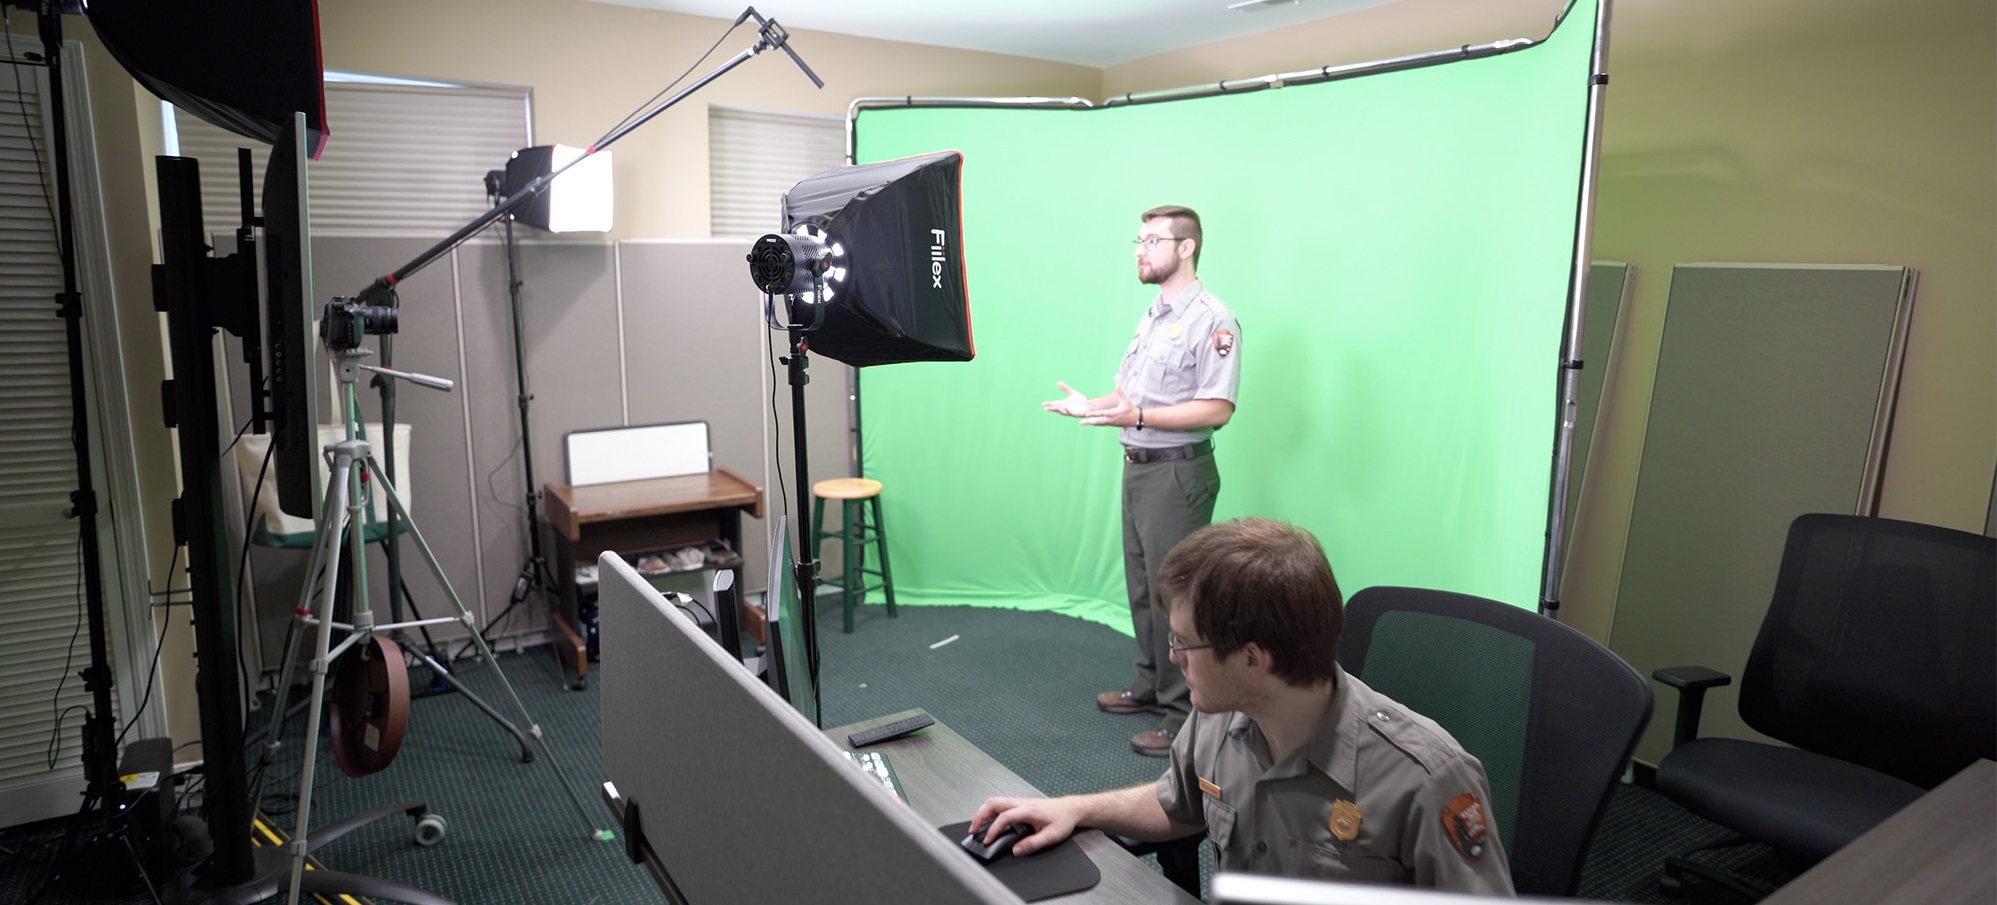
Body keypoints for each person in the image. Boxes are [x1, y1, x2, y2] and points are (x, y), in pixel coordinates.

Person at [968, 518, 1516, 895]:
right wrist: (1074, 808)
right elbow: (1177, 806)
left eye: (1185, 643)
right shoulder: (1218, 717)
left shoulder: (1426, 779)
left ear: (1253, 659)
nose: (1173, 657)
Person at [1043, 205, 1240, 757]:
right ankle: (1150, 685)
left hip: (1177, 473)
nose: (1140, 250)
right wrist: (1091, 404)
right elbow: (1130, 397)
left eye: (1152, 240)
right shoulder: (1152, 316)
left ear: (1186, 247)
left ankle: (1183, 716)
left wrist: (1140, 417)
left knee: (1177, 594)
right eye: (1139, 240)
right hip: (1139, 467)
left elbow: (1218, 408)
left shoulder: (1213, 319)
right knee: (1143, 587)